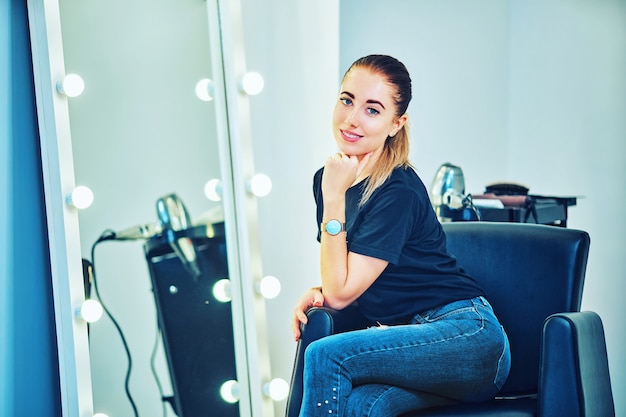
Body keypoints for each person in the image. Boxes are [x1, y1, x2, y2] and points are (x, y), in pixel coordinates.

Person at [291, 54, 511, 417]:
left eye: (372, 110)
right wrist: (320, 291)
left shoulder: (398, 189)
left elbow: (341, 294)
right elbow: (343, 278)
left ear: (397, 123)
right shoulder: (329, 177)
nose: (351, 118)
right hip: (408, 346)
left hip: (468, 338)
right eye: (347, 100)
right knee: (363, 407)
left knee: (326, 354)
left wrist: (333, 200)